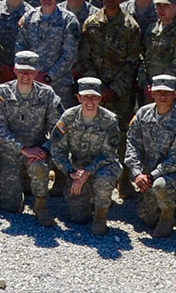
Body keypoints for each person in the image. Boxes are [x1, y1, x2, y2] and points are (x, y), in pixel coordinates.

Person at [0, 51, 63, 224]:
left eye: (30, 71)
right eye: (22, 71)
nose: (25, 75)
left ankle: (40, 205)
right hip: (10, 152)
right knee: (11, 207)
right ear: (14, 70)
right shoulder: (2, 92)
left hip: (37, 150)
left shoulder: (47, 94)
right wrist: (23, 149)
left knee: (38, 167)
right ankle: (21, 180)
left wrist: (44, 149)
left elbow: (58, 130)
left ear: (36, 72)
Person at [49, 78, 124, 234]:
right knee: (78, 218)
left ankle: (100, 216)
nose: (90, 101)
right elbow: (57, 149)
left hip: (104, 166)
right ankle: (87, 196)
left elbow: (109, 153)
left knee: (103, 180)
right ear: (79, 98)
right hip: (77, 167)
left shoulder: (110, 120)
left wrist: (87, 172)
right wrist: (71, 172)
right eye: (86, 96)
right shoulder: (68, 117)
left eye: (94, 97)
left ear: (100, 98)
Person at [127, 75, 176, 238]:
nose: (163, 97)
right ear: (151, 92)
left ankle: (167, 217)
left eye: (167, 93)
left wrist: (152, 176)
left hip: (173, 173)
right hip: (147, 173)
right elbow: (132, 144)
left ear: (175, 94)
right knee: (147, 218)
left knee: (159, 186)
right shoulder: (143, 114)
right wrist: (137, 173)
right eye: (159, 92)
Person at [79, 0, 144, 125]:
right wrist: (97, 87)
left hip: (121, 95)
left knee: (120, 133)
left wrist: (114, 89)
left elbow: (132, 62)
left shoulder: (131, 26)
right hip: (95, 94)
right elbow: (85, 58)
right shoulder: (91, 24)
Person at [15, 0, 80, 104]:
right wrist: (29, 73)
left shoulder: (69, 20)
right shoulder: (29, 17)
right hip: (31, 82)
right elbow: (20, 46)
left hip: (59, 85)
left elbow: (69, 55)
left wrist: (48, 76)